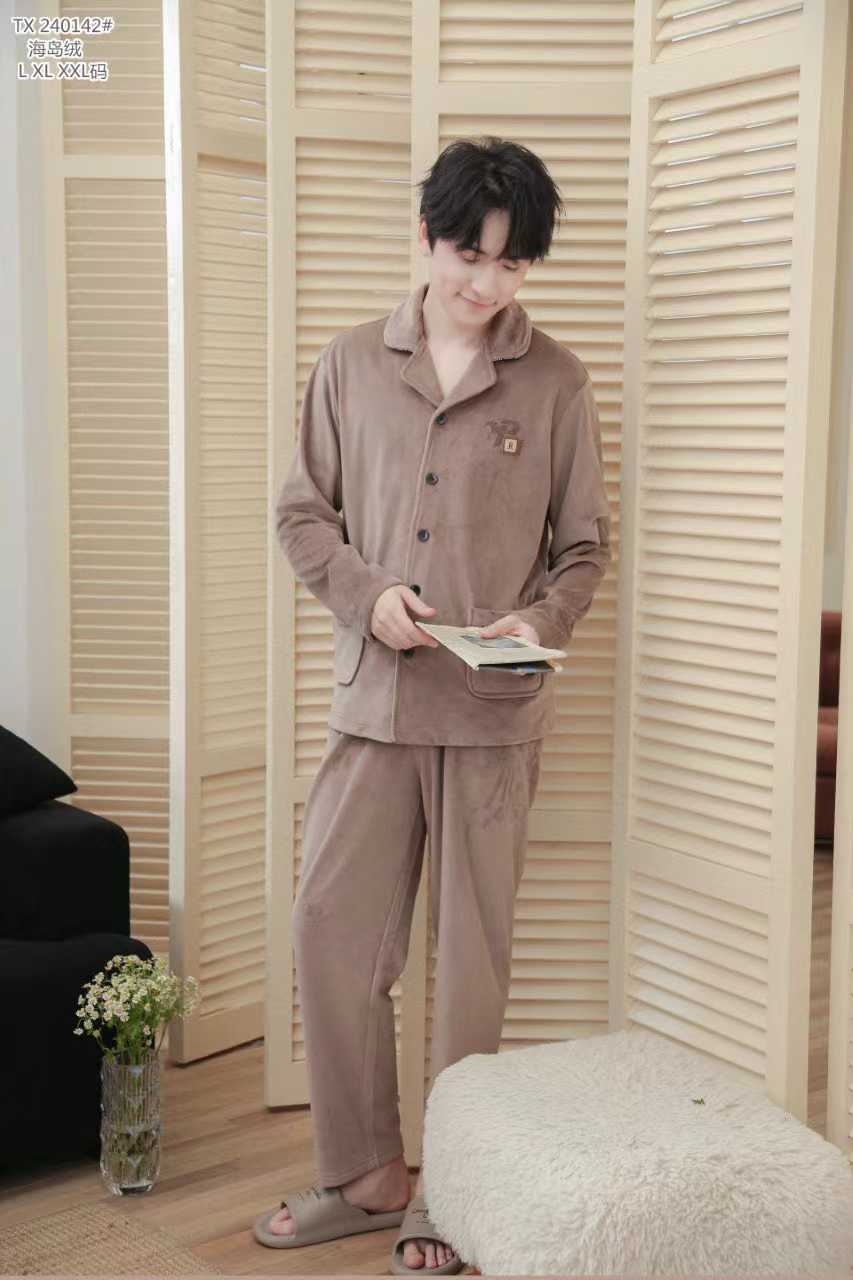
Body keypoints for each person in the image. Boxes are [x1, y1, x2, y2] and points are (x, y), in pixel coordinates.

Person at [253, 137, 611, 1273]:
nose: (488, 282)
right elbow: (303, 516)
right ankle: (366, 1174)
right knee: (331, 931)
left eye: (512, 263)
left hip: (492, 719)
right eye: (469, 254)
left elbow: (583, 551)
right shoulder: (350, 364)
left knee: (469, 968)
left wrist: (537, 624)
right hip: (374, 706)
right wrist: (369, 598)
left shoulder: (555, 382)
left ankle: (451, 1197)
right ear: (425, 238)